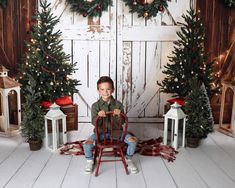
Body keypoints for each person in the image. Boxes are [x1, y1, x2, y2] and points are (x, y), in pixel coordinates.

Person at [83, 76, 138, 174]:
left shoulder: (118, 104)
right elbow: (93, 121)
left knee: (133, 141)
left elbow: (122, 122)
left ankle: (129, 159)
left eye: (108, 89)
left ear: (112, 90)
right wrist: (98, 117)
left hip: (117, 132)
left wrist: (118, 115)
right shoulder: (95, 106)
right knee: (87, 144)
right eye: (102, 89)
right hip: (100, 133)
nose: (105, 92)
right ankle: (89, 161)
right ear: (98, 91)